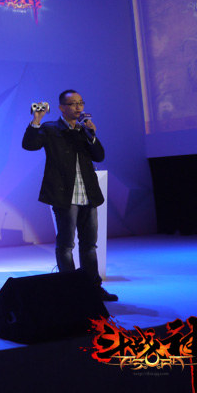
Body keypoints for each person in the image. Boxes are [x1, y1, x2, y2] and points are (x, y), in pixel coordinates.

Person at [22, 89, 118, 302]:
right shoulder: (50, 129)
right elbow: (29, 145)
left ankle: (93, 288)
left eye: (80, 103)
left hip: (88, 194)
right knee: (66, 245)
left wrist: (92, 134)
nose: (78, 107)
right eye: (73, 104)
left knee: (89, 245)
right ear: (61, 108)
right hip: (64, 195)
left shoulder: (84, 130)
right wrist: (36, 120)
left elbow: (99, 156)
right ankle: (70, 290)